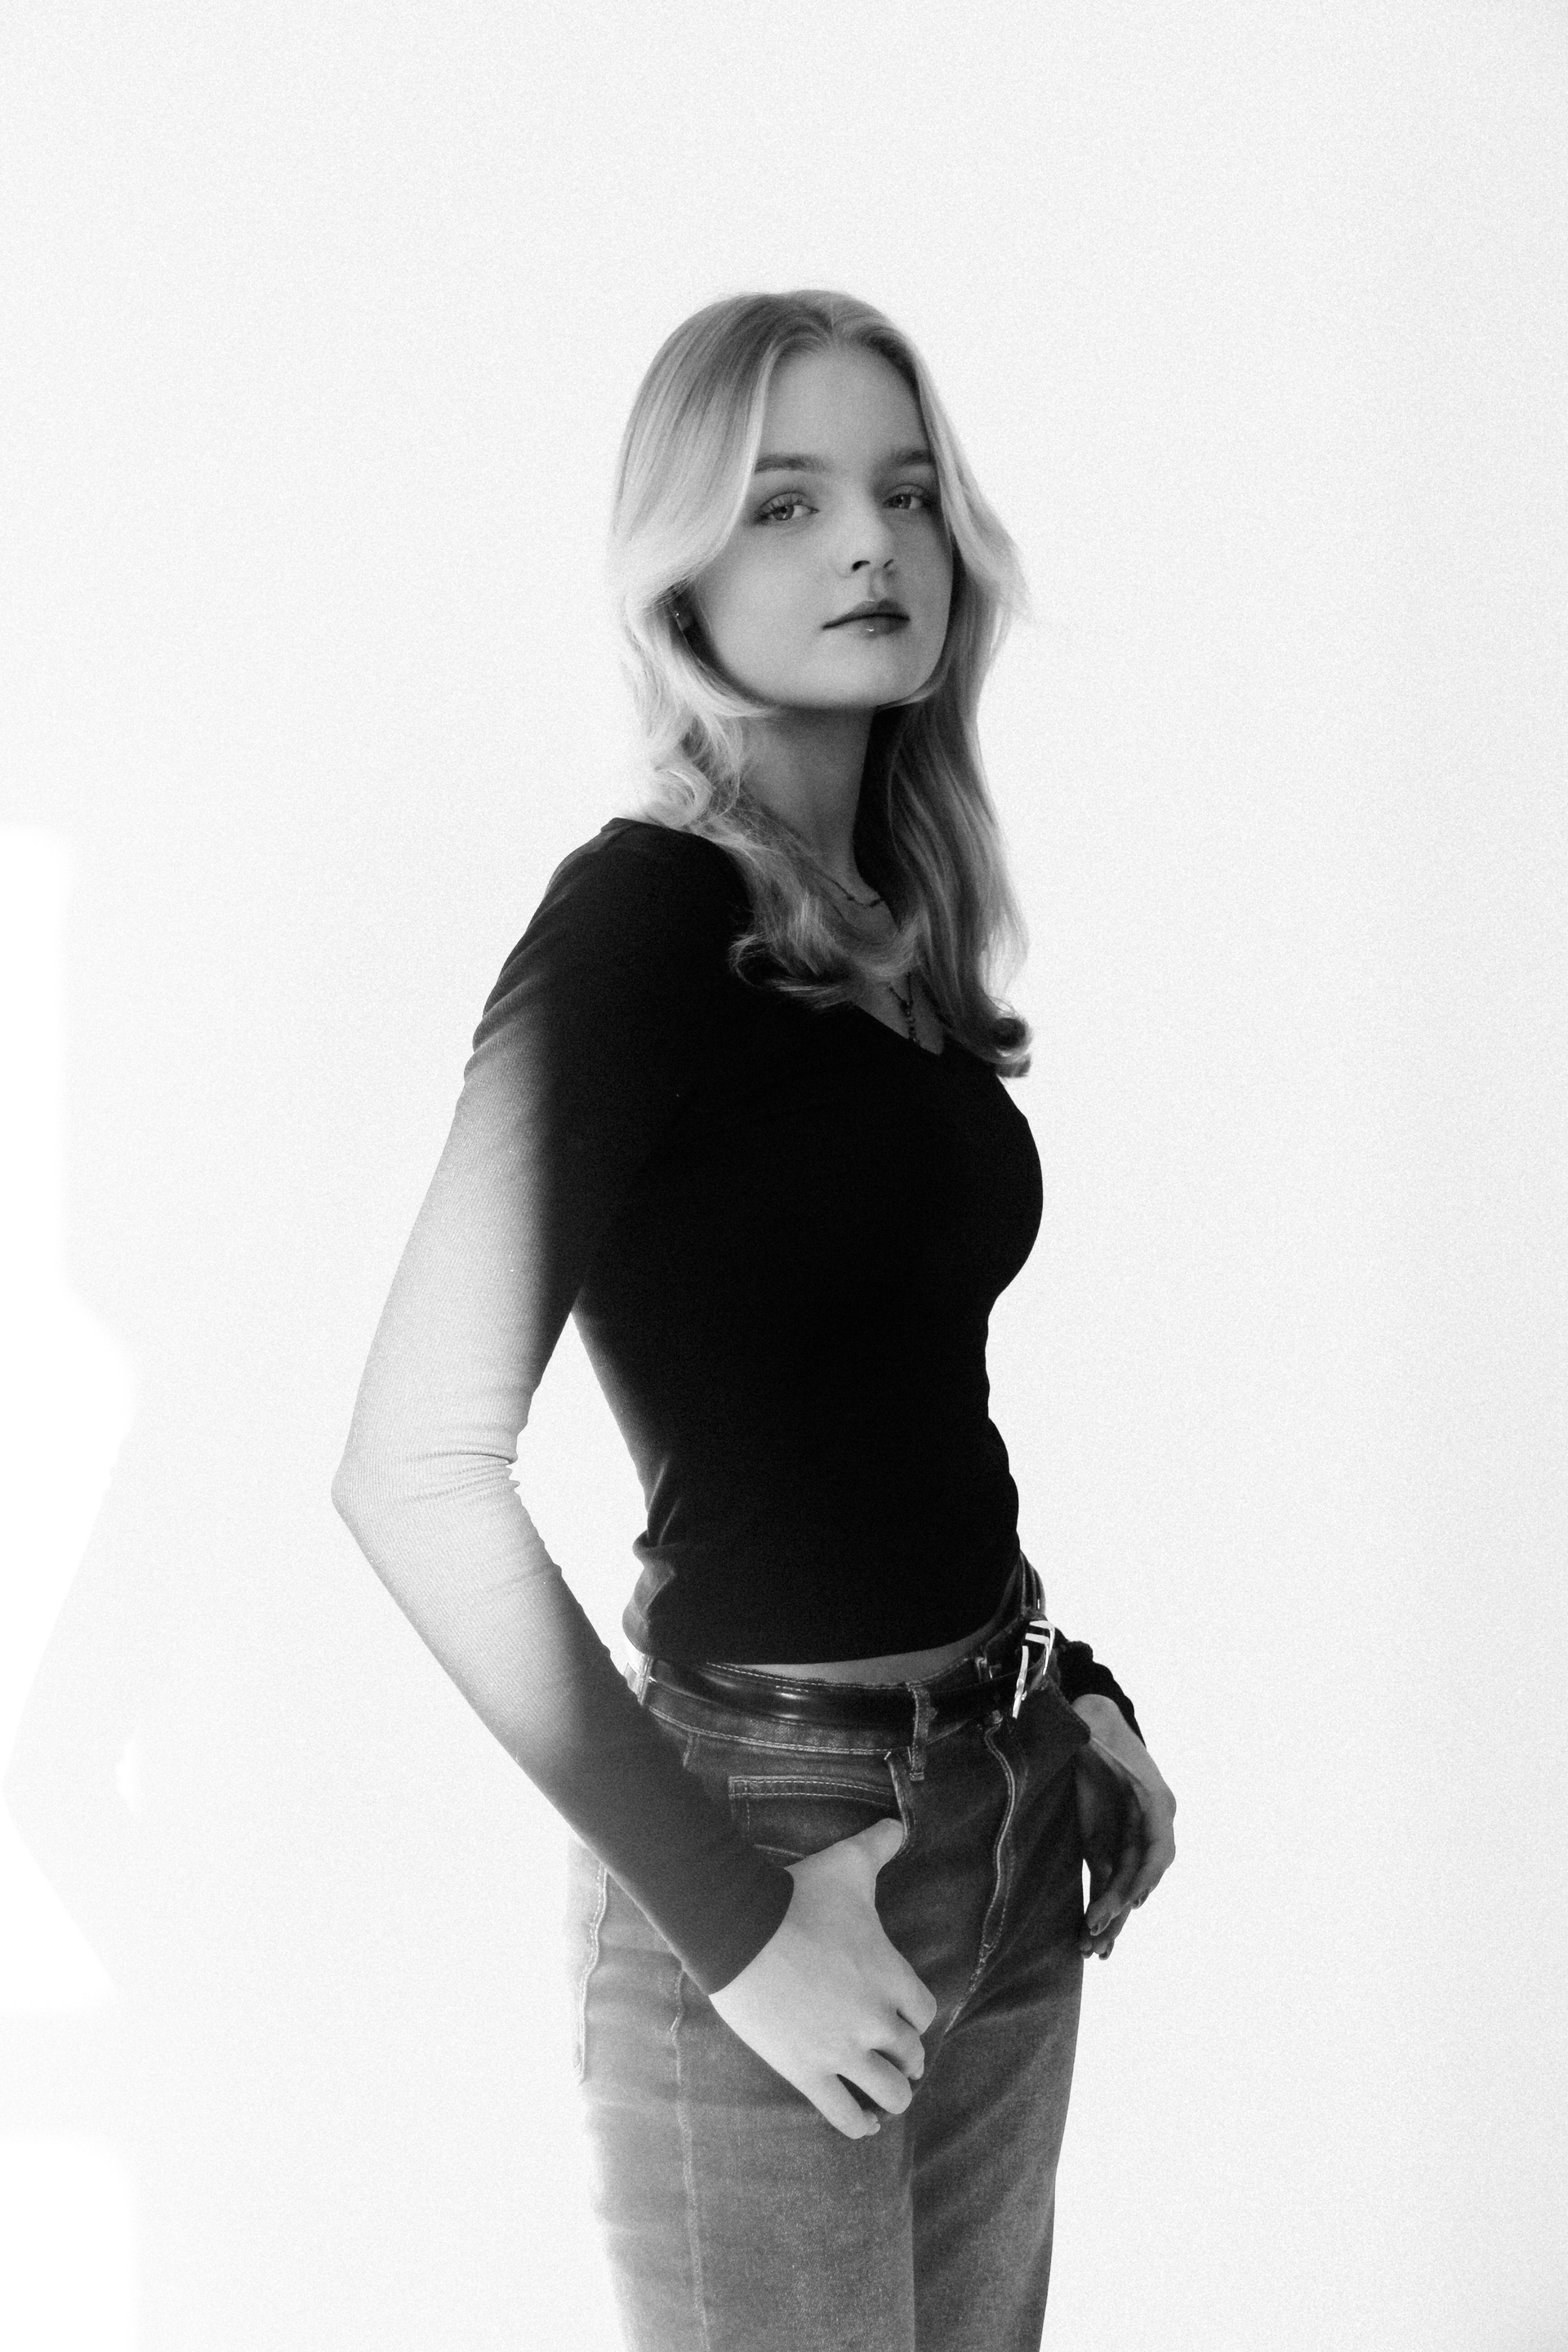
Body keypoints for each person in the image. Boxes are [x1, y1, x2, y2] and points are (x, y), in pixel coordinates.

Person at [332, 287, 1177, 2352]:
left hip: (998, 1805)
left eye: (906, 491)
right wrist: (738, 1931)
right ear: (679, 577)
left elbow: (880, 1396)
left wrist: (1064, 1690)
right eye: (784, 503)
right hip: (775, 1850)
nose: (870, 544)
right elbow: (412, 1469)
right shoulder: (640, 916)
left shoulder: (885, 928)